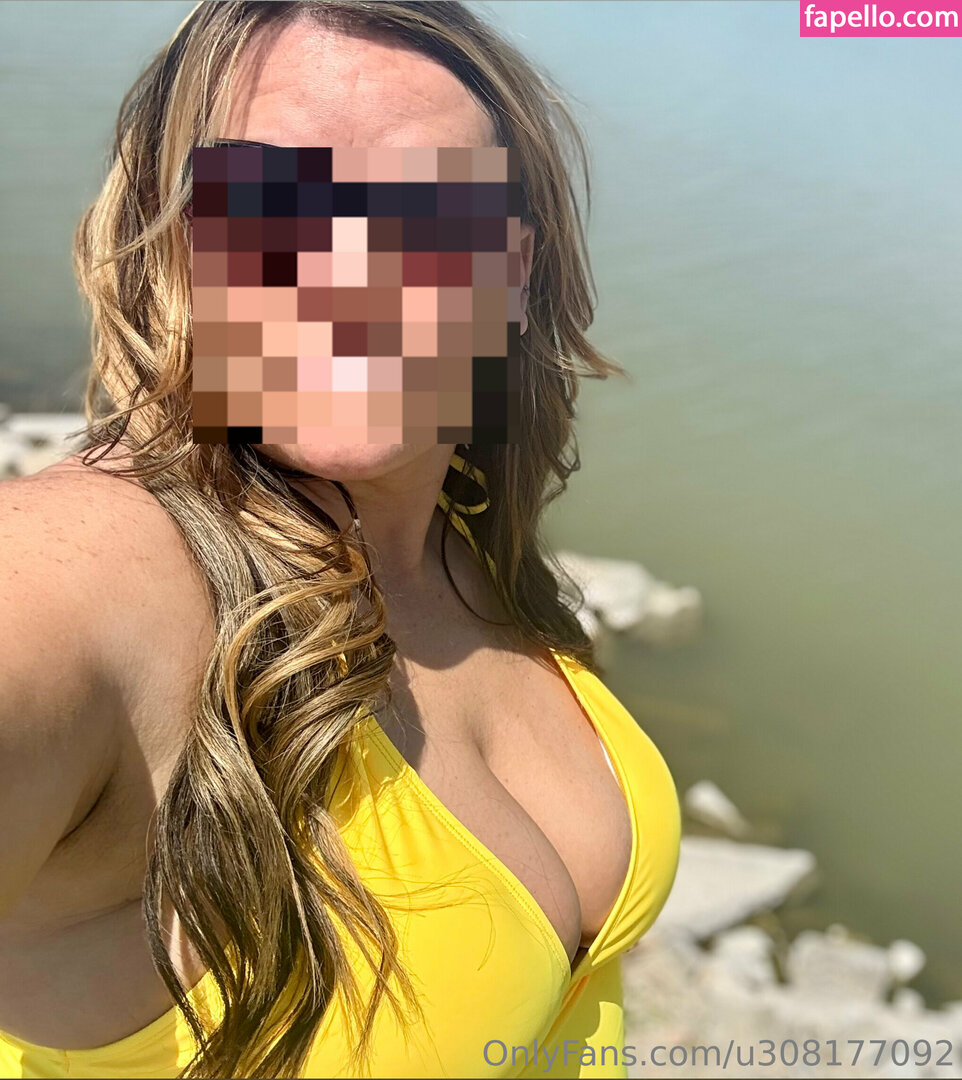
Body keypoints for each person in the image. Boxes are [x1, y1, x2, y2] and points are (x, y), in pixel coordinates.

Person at [0, 2, 680, 1077]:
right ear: (180, 248)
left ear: (510, 269)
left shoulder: (466, 549)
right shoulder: (101, 574)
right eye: (274, 200)